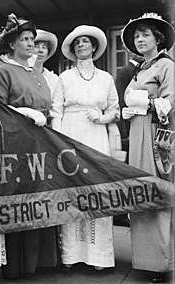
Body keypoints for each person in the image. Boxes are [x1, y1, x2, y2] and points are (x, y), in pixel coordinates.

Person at [0, 13, 58, 279]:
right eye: (25, 39)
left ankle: (42, 260)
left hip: (42, 143)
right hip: (18, 143)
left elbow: (48, 108)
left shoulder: (38, 74)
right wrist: (27, 112)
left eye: (32, 39)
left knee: (42, 197)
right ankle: (19, 264)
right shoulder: (6, 71)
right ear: (13, 44)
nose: (31, 44)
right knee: (22, 197)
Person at [50, 25, 120, 271]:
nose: (81, 45)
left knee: (97, 189)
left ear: (93, 47)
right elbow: (56, 110)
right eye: (77, 43)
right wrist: (58, 141)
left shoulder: (106, 78)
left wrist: (102, 118)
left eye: (85, 42)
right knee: (72, 189)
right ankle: (71, 254)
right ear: (72, 49)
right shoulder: (64, 78)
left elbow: (115, 110)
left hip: (96, 135)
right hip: (70, 133)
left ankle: (99, 256)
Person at [121, 12, 175, 283]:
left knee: (158, 192)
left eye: (145, 34)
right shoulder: (141, 68)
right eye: (137, 35)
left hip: (156, 135)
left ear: (158, 38)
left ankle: (163, 263)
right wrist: (130, 107)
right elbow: (130, 99)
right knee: (140, 193)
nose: (140, 39)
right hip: (138, 134)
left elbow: (169, 103)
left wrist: (144, 102)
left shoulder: (166, 66)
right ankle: (145, 261)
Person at [113, 51, 144, 228]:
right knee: (127, 172)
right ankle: (121, 212)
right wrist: (124, 133)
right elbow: (120, 101)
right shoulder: (126, 72)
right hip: (129, 128)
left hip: (140, 126)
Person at [29, 29, 59, 96]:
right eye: (36, 46)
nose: (40, 50)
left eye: (44, 47)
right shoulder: (21, 73)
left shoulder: (53, 78)